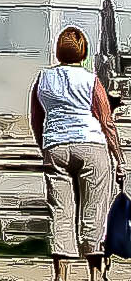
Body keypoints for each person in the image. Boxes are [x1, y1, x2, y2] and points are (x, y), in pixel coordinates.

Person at [33, 26, 124, 281]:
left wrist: (46, 147)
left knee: (60, 212)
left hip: (56, 147)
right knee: (94, 211)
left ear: (58, 52)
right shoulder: (90, 80)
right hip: (91, 146)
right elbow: (106, 121)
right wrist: (119, 159)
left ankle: (61, 275)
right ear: (83, 53)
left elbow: (36, 118)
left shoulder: (42, 79)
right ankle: (95, 274)